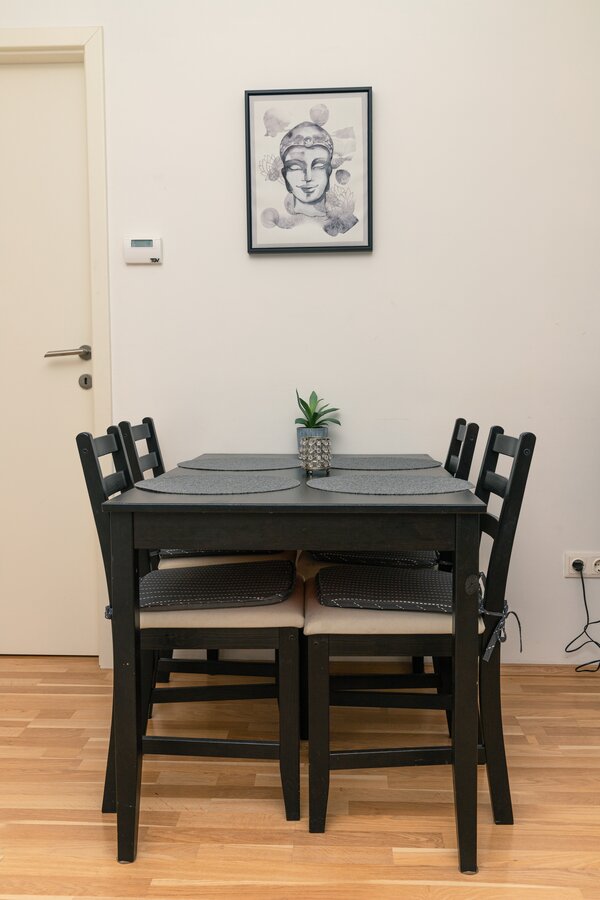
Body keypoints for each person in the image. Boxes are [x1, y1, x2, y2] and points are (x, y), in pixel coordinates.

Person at [279, 122, 334, 217]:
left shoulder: (345, 221)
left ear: (328, 172)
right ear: (285, 176)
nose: (308, 177)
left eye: (318, 166)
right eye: (295, 167)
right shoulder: (280, 221)